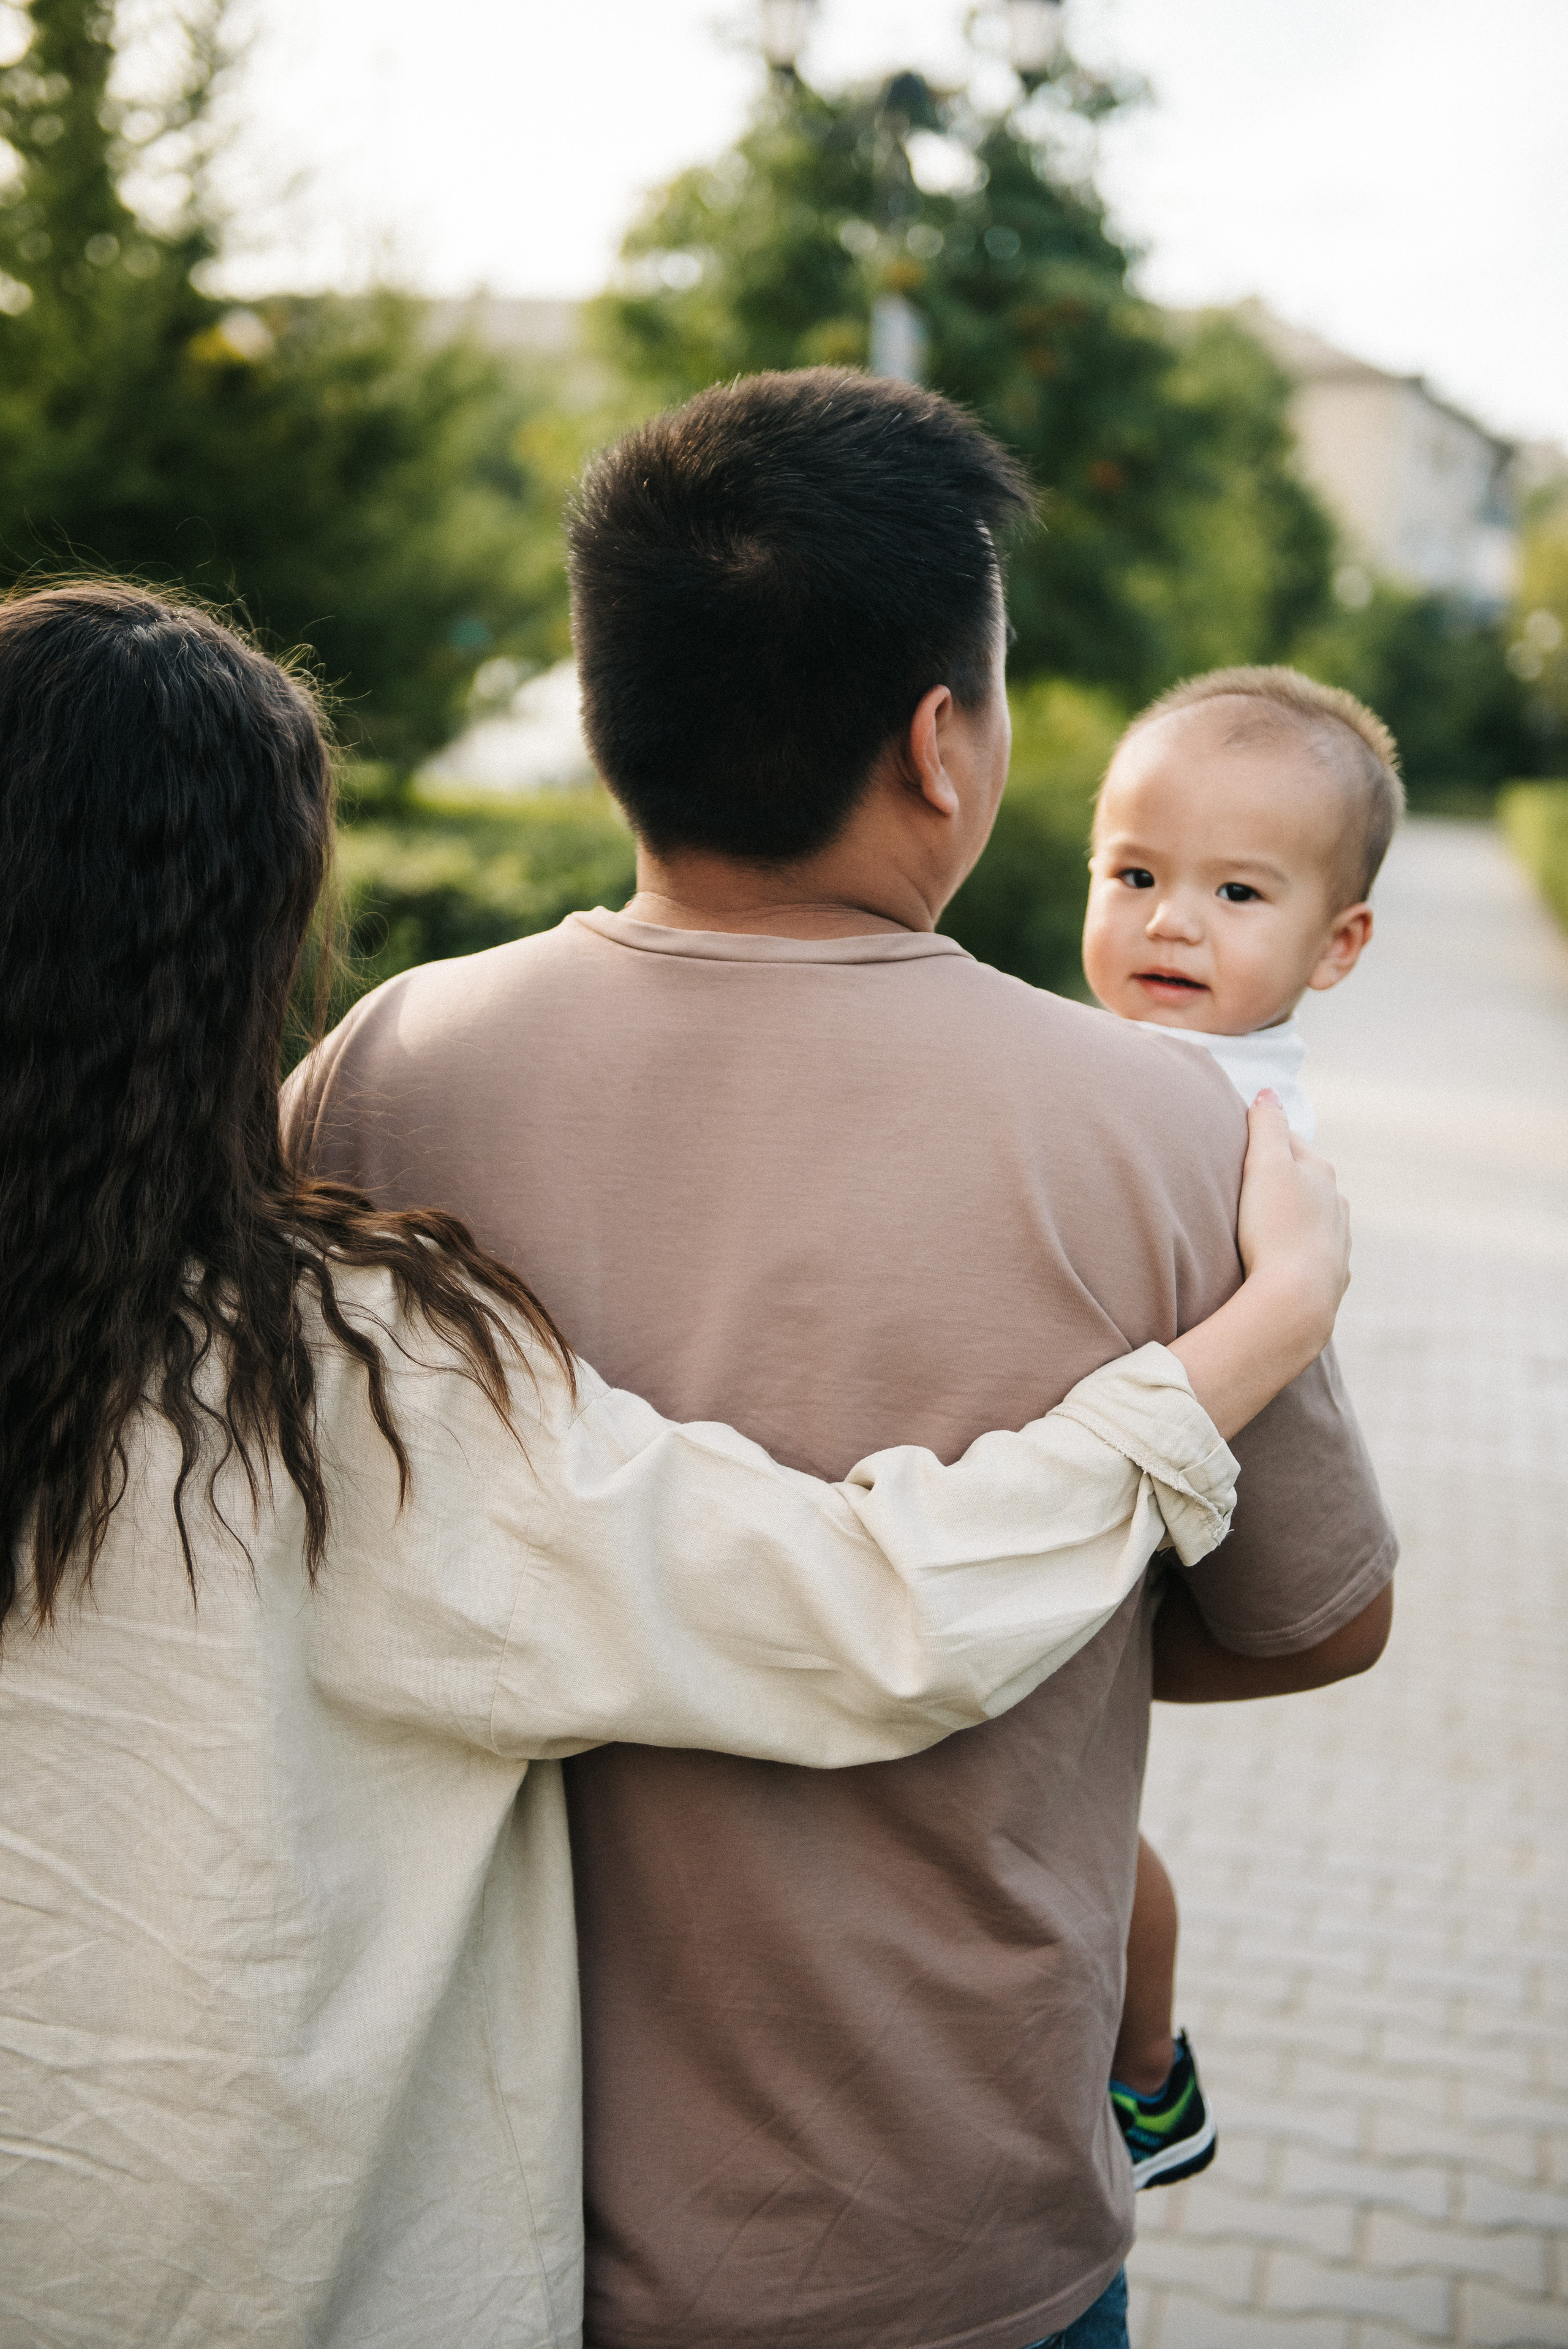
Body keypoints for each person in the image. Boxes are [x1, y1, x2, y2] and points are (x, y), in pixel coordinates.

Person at [0, 581, 1354, 2349]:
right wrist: (1269, 1322)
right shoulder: (327, 1374)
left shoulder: (384, 1082)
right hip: (267, 2255)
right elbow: (886, 1613)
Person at [286, 370, 1398, 2349]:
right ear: (943, 743)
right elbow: (1316, 1614)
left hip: (476, 2209)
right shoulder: (1164, 1133)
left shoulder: (384, 1073)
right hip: (942, 2210)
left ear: (615, 716)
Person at [1082, 663, 1403, 2188]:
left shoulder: (1244, 1118)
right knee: (1082, 1827)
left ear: (1333, 948)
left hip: (1150, 1512)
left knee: (1088, 1836)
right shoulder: (1133, 1059)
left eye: (1232, 891)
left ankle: (1147, 2071)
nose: (1167, 922)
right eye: (1132, 874)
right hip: (1085, 1493)